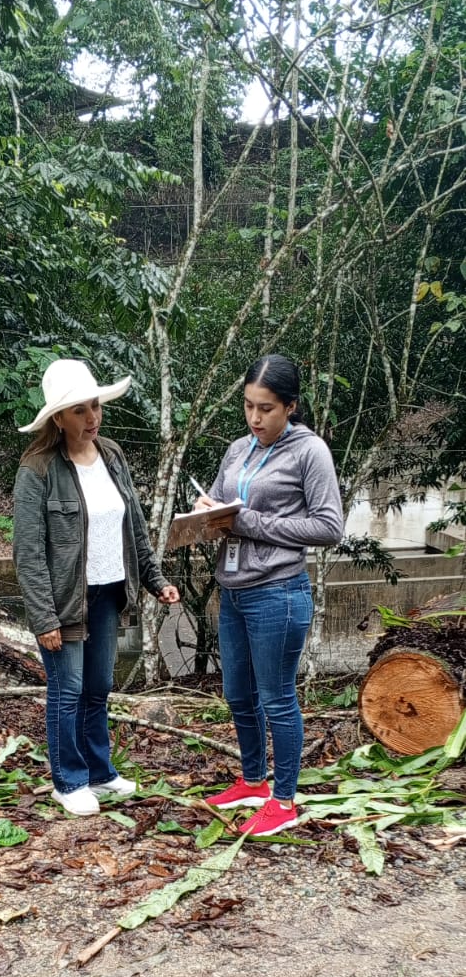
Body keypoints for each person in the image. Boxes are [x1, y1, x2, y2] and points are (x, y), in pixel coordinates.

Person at [13, 359, 180, 816]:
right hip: (64, 600)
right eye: (80, 410)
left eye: (96, 406)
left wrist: (155, 579)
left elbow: (134, 525)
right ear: (58, 419)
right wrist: (43, 617)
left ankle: (99, 772)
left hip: (109, 592)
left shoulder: (112, 455)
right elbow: (28, 551)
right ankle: (68, 781)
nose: (92, 417)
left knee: (98, 686)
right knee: (66, 689)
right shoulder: (38, 469)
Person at [195, 354, 343, 837]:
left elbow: (328, 527)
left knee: (277, 698)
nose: (255, 418)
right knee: (238, 694)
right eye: (248, 406)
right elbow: (220, 503)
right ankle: (254, 780)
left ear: (290, 406)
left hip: (278, 592)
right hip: (234, 590)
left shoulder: (309, 451)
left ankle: (284, 802)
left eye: (266, 409)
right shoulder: (239, 448)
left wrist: (247, 522)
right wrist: (205, 514)